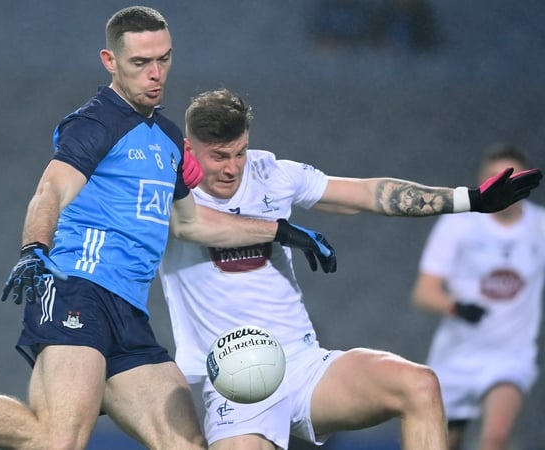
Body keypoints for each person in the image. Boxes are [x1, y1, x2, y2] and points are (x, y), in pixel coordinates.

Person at [0, 7, 336, 450]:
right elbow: (51, 190)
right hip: (76, 290)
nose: (156, 73)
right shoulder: (97, 120)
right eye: (140, 62)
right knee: (58, 440)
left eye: (163, 59)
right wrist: (33, 248)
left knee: (185, 443)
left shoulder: (169, 137)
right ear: (110, 61)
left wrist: (276, 230)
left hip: (129, 316)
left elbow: (192, 222)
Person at [157, 89, 543, 450]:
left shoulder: (272, 174)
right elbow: (190, 225)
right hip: (237, 380)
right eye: (219, 156)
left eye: (239, 153)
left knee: (420, 384)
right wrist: (281, 231)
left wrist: (468, 199)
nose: (232, 168)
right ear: (190, 148)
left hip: (303, 363)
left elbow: (366, 193)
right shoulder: (165, 191)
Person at [411, 143, 545, 450]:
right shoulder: (459, 224)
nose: (504, 187)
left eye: (511, 178)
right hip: (457, 356)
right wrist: (457, 307)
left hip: (511, 355)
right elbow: (424, 292)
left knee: (496, 436)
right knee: (441, 442)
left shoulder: (539, 226)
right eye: (497, 179)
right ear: (483, 181)